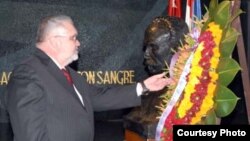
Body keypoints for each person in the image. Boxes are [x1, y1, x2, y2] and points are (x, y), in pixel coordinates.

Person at [5, 15, 173, 141]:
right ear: (56, 41)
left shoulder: (69, 75)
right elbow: (31, 136)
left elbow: (99, 97)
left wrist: (144, 86)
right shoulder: (28, 74)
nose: (78, 43)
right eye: (73, 38)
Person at [124, 16, 188, 138]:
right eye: (146, 47)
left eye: (153, 47)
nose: (146, 54)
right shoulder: (144, 95)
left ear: (177, 48)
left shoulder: (190, 96)